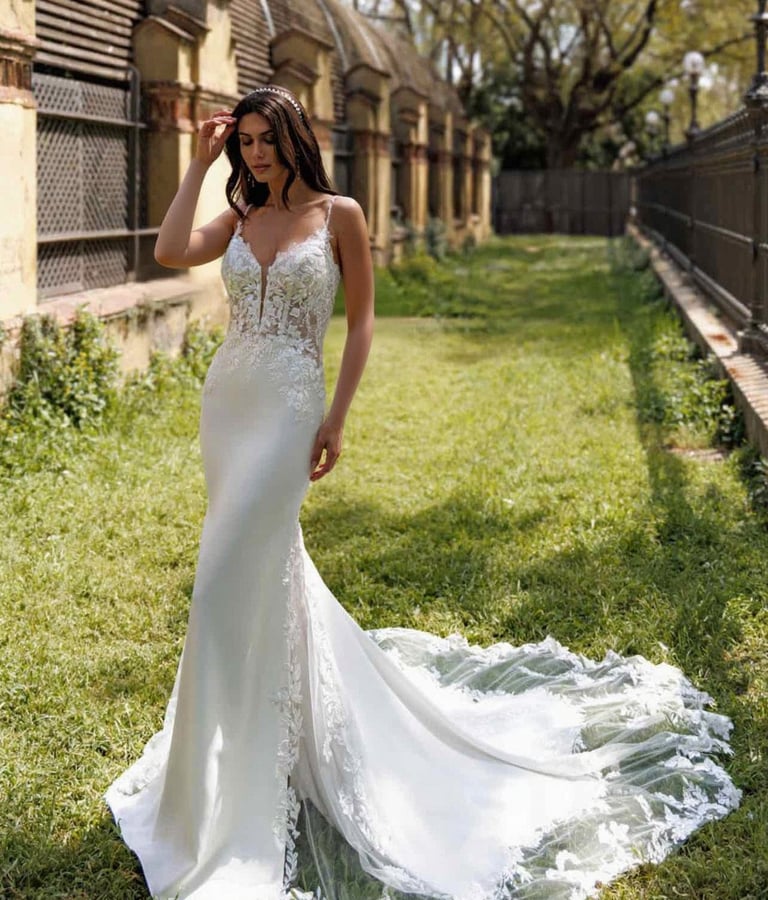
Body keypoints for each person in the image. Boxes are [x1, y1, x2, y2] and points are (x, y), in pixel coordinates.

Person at [105, 85, 740, 900]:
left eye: (267, 140)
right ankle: (250, 749)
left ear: (297, 138)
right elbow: (166, 250)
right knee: (252, 570)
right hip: (228, 405)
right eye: (247, 143)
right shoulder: (237, 214)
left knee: (228, 568)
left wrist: (336, 418)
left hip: (292, 406)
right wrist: (197, 165)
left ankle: (249, 754)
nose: (256, 154)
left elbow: (363, 320)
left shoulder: (341, 215)